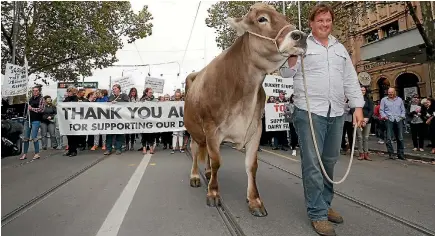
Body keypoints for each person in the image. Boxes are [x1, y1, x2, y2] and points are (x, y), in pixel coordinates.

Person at [279, 4, 364, 236]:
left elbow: (349, 78)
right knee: (313, 164)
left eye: (328, 20)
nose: (325, 24)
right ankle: (317, 213)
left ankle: (325, 205)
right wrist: (293, 57)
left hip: (336, 112)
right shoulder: (301, 43)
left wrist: (357, 107)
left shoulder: (339, 48)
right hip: (309, 112)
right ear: (312, 23)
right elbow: (285, 74)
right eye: (320, 21)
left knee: (329, 162)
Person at [379, 88, 406, 160]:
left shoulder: (399, 100)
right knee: (389, 138)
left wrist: (402, 117)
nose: (390, 94)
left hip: (398, 119)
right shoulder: (384, 100)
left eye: (391, 92)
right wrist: (385, 117)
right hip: (389, 120)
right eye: (389, 92)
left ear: (394, 92)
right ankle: (391, 154)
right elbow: (381, 110)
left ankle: (401, 154)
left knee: (400, 138)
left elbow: (403, 110)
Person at [20, 86, 46, 160]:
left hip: (36, 120)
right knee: (26, 138)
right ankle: (24, 154)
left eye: (36, 90)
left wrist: (32, 109)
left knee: (34, 137)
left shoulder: (41, 99)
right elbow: (26, 108)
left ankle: (37, 153)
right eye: (33, 90)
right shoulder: (30, 99)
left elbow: (42, 109)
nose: (35, 92)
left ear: (39, 91)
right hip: (28, 119)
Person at [356, 86, 374, 160]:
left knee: (366, 137)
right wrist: (359, 119)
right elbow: (353, 110)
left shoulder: (368, 100)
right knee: (359, 137)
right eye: (361, 90)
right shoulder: (356, 100)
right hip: (358, 121)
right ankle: (361, 153)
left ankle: (366, 153)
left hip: (367, 121)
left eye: (363, 90)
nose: (362, 91)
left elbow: (371, 110)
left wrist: (366, 119)